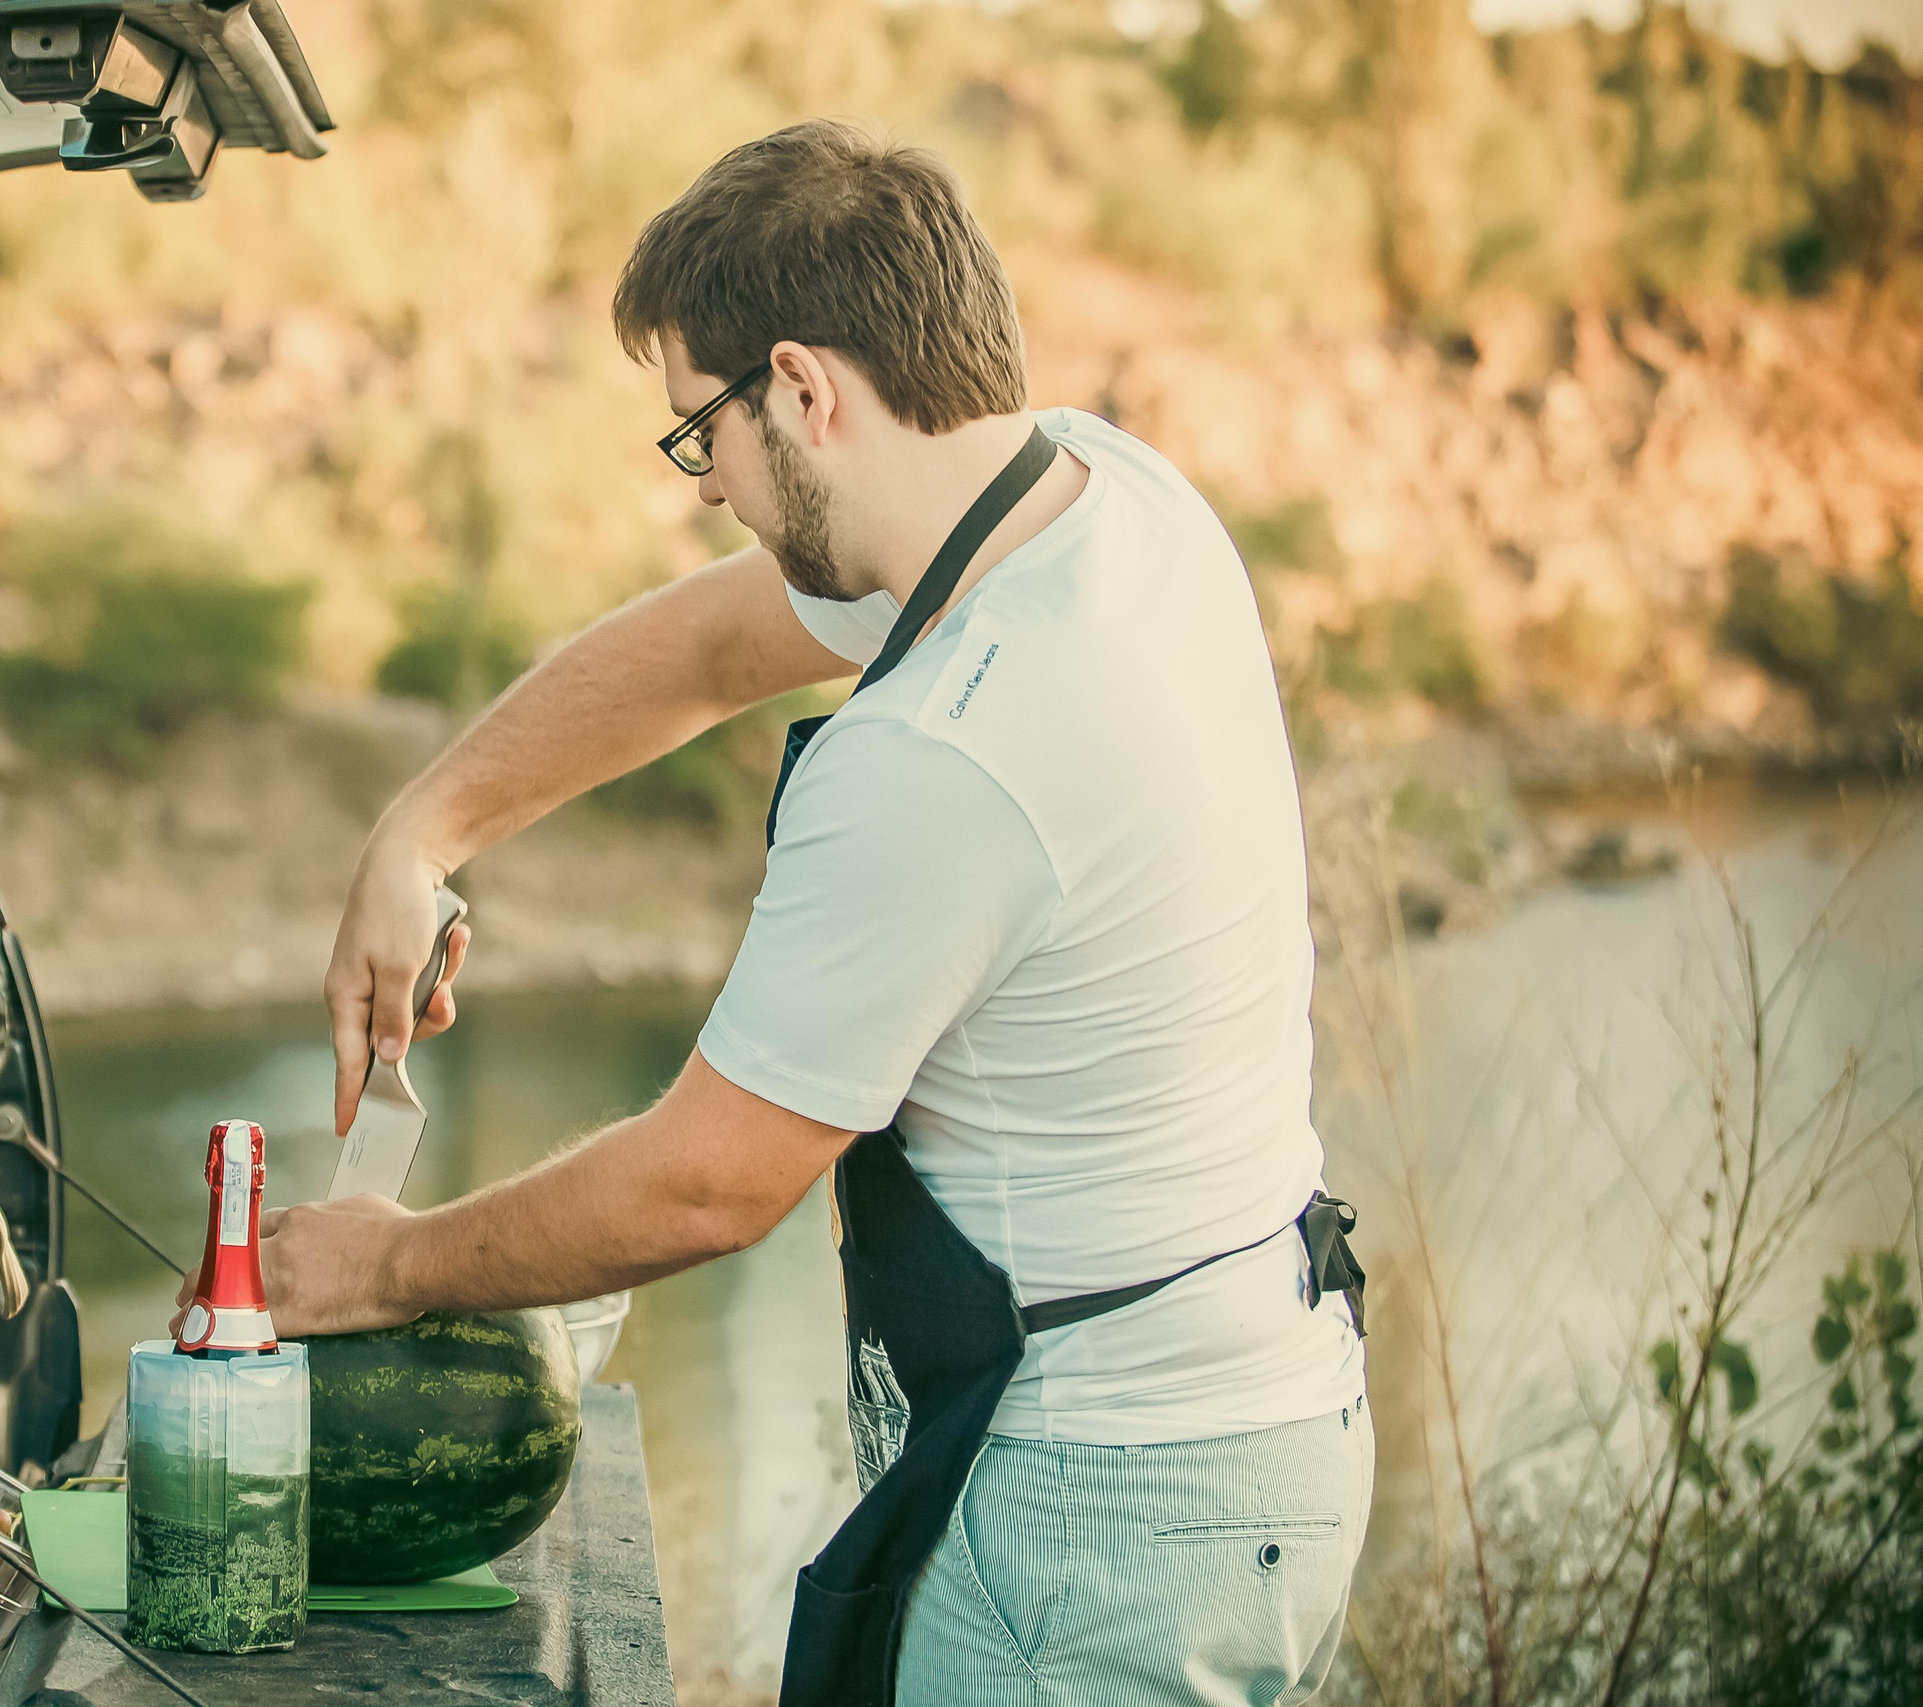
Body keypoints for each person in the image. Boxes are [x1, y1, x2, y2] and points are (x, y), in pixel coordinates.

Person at [257, 119, 1371, 1706]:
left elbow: (710, 1186)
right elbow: (712, 652)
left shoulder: (944, 752)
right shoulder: (1099, 489)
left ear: (803, 386)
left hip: (1096, 1516)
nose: (703, 484)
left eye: (696, 430)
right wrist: (423, 827)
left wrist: (388, 1268)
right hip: (1257, 1434)